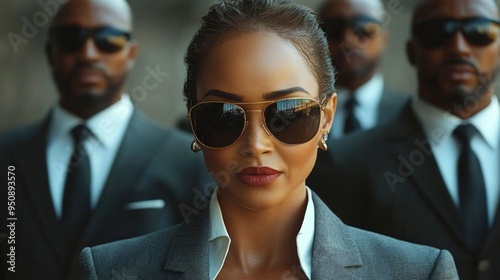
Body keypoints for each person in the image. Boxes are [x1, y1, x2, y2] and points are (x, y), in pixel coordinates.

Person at [69, 1, 459, 279]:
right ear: (193, 123)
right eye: (223, 117)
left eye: (287, 115)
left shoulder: (418, 272)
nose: (256, 144)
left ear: (327, 118)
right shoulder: (109, 271)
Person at [0, 0, 212, 279]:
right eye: (70, 38)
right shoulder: (6, 154)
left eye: (108, 40)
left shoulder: (188, 160)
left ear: (132, 52)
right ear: (50, 50)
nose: (88, 54)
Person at [308, 0, 500, 278]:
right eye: (437, 32)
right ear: (412, 50)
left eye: (480, 32)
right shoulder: (345, 161)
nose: (459, 47)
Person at [318, 0, 408, 138]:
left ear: (385, 39)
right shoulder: (301, 113)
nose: (348, 39)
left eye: (364, 27)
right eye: (333, 28)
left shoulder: (409, 112)